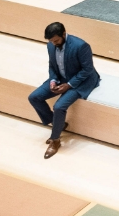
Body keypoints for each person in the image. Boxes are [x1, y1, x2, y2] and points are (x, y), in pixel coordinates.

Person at [28, 22, 101, 159]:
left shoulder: (81, 46)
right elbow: (52, 65)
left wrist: (69, 84)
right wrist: (53, 80)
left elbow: (88, 70)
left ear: (63, 34)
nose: (53, 43)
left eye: (56, 40)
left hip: (82, 82)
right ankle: (57, 124)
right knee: (34, 97)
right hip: (61, 78)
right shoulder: (51, 45)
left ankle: (55, 140)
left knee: (59, 106)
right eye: (51, 41)